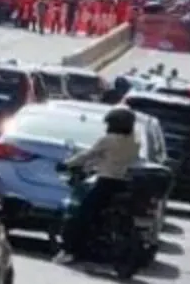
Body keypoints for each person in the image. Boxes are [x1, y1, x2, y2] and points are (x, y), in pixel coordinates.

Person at [56, 107, 140, 264]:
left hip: (106, 182)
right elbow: (106, 158)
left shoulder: (108, 140)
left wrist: (67, 164)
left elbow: (88, 155)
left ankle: (70, 250)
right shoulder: (134, 142)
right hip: (126, 184)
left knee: (81, 214)